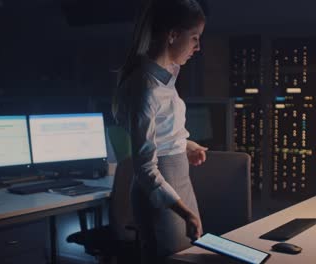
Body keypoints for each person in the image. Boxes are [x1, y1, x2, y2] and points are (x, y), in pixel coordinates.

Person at [112, 0, 207, 263]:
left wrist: (187, 145)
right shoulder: (146, 87)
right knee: (171, 258)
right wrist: (184, 212)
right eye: (194, 38)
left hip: (179, 181)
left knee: (189, 256)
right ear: (173, 35)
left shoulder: (166, 76)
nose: (197, 47)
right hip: (161, 192)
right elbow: (145, 169)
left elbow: (163, 132)